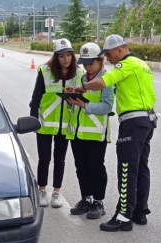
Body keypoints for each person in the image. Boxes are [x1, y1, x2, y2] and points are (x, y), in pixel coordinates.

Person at [74, 34, 157, 232]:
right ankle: (139, 211)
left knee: (127, 169)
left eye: (110, 54)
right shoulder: (142, 64)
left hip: (133, 122)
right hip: (147, 120)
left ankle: (123, 216)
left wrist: (82, 87)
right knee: (141, 168)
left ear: (120, 49)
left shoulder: (126, 64)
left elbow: (104, 82)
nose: (109, 59)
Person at [29, 39, 84, 208]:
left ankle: (56, 192)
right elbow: (35, 99)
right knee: (44, 158)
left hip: (65, 124)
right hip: (45, 123)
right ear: (56, 57)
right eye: (62, 56)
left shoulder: (78, 73)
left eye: (69, 55)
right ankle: (42, 190)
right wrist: (33, 121)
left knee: (60, 159)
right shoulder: (45, 71)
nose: (66, 59)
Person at [64, 43, 115, 219]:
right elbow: (72, 105)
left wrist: (85, 105)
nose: (87, 67)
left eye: (90, 63)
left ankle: (98, 202)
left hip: (95, 134)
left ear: (100, 61)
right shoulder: (80, 79)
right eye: (84, 63)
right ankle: (86, 199)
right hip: (77, 133)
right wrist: (69, 98)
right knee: (81, 168)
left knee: (96, 168)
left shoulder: (106, 80)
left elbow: (107, 106)